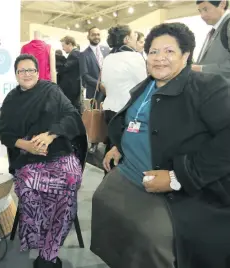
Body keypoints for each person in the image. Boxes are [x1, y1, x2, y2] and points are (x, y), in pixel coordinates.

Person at [91, 22, 230, 268]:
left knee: (152, 237)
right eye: (153, 52)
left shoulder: (208, 87)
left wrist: (178, 177)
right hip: (126, 175)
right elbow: (133, 121)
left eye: (169, 51)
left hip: (175, 190)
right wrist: (120, 145)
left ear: (186, 55)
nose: (159, 58)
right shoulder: (146, 86)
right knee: (106, 209)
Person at [0, 54, 86, 268]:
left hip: (59, 151)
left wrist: (51, 135)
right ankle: (45, 247)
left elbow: (71, 116)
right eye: (22, 71)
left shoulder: (52, 91)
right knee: (28, 188)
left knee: (69, 182)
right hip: (28, 157)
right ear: (16, 74)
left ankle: (48, 253)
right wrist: (26, 145)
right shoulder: (11, 100)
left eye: (31, 70)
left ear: (38, 72)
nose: (27, 74)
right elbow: (5, 134)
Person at [101, 25, 147, 164]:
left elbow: (105, 84)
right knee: (123, 152)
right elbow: (143, 85)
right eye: (134, 36)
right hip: (126, 112)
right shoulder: (134, 57)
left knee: (111, 147)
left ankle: (107, 179)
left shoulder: (108, 58)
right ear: (126, 39)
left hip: (109, 110)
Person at [79, 26, 110, 153]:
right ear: (88, 36)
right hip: (95, 90)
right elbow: (85, 75)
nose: (96, 37)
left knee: (108, 115)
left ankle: (108, 140)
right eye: (93, 34)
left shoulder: (107, 51)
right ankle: (94, 142)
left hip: (109, 89)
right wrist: (99, 85)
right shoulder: (84, 54)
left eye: (98, 34)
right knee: (95, 117)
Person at [194, 0, 230, 78]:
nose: (202, 15)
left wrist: (201, 69)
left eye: (205, 9)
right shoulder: (212, 32)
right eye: (200, 11)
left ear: (222, 4)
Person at [57, 36, 81, 112]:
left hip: (71, 88)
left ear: (69, 44)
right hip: (73, 87)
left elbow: (65, 68)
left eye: (63, 46)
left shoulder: (75, 54)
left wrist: (56, 58)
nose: (63, 48)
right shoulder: (75, 54)